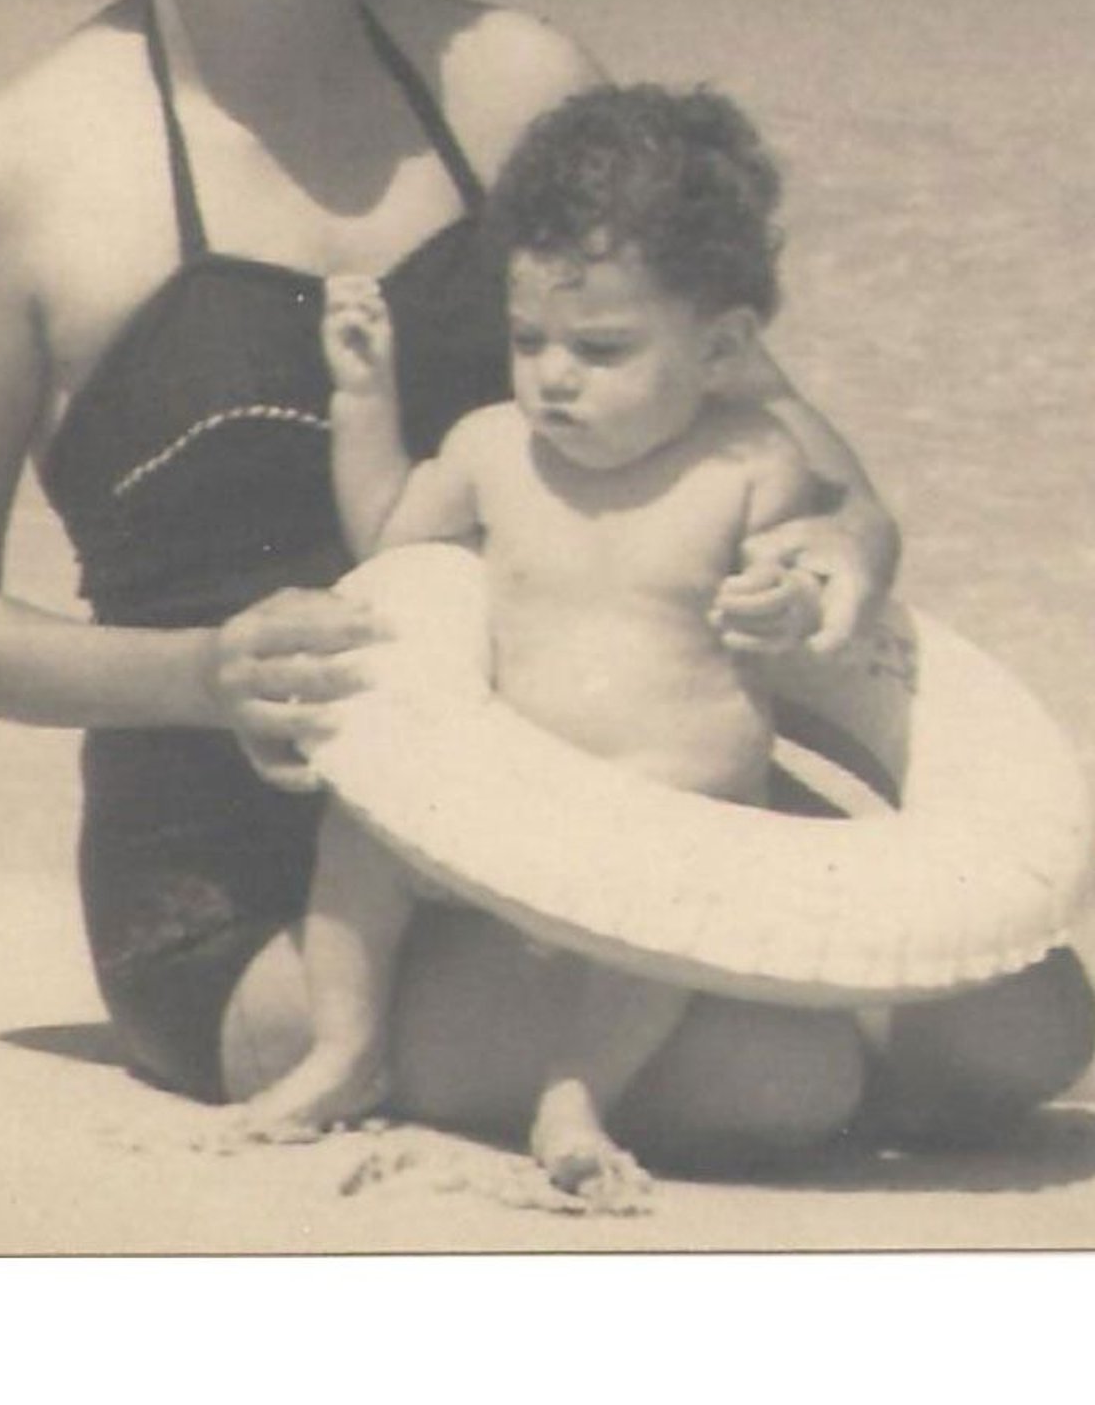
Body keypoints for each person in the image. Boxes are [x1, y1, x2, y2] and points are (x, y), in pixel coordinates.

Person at [0, 0, 1095, 1169]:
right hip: (266, 865)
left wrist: (842, 545)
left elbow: (777, 431)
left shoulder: (511, 87)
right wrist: (202, 676)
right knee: (774, 1080)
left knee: (1021, 1024)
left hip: (601, 779)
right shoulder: (8, 175)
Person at [240, 83, 821, 1206]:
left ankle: (576, 1089)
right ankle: (343, 1045)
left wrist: (787, 598)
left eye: (600, 347)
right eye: (528, 339)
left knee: (658, 921)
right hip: (510, 804)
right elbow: (389, 536)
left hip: (667, 809)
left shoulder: (746, 464)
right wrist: (364, 396)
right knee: (358, 838)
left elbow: (802, 573)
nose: (553, 372)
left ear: (721, 346)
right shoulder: (493, 448)